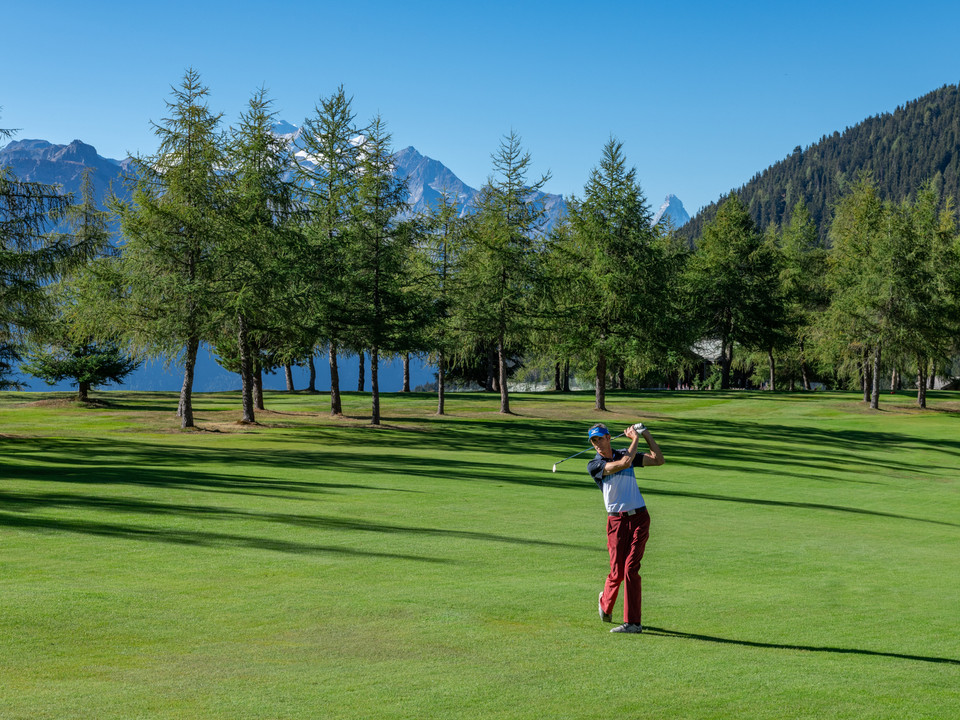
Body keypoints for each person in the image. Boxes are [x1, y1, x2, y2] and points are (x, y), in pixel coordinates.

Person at [586, 422, 664, 633]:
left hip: (639, 517)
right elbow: (622, 464)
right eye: (593, 441)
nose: (597, 445)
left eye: (600, 439)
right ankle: (605, 604)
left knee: (631, 569)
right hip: (616, 522)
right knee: (617, 572)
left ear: (609, 437)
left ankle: (633, 623)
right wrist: (635, 439)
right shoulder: (595, 465)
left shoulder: (623, 452)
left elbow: (658, 460)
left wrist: (646, 434)